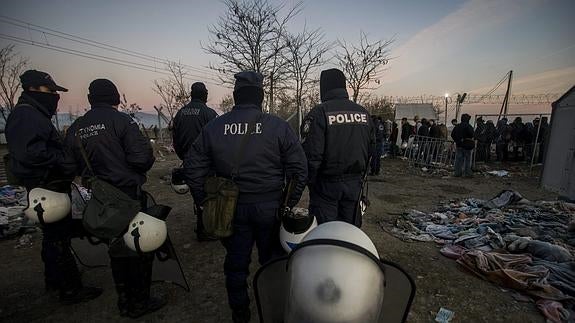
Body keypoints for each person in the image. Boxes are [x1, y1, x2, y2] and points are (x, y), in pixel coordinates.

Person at [184, 71, 307, 323]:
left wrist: (205, 202)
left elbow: (192, 168)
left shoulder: (214, 126)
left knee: (236, 264)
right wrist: (287, 204)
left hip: (230, 208)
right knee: (272, 262)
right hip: (269, 207)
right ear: (260, 97)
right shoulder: (278, 126)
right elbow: (299, 170)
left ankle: (240, 314)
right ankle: (274, 310)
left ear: (235, 96)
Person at [65, 79, 163, 318]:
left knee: (116, 246)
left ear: (90, 99)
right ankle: (139, 301)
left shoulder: (76, 127)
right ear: (116, 98)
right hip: (126, 195)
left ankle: (123, 300)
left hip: (97, 196)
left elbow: (68, 164)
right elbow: (141, 157)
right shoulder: (123, 122)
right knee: (138, 244)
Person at [5, 70, 102, 304]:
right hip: (45, 186)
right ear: (35, 89)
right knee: (58, 236)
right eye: (51, 91)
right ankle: (69, 288)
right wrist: (63, 159)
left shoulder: (32, 113)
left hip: (47, 186)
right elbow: (30, 152)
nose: (55, 97)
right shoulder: (26, 115)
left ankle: (56, 279)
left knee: (54, 235)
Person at [301, 68, 375, 226]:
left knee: (326, 233)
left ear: (324, 88)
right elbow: (371, 150)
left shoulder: (319, 113)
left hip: (326, 186)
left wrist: (311, 184)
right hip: (354, 184)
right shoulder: (363, 113)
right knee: (350, 232)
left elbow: (311, 156)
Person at [171, 82, 218, 241]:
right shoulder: (209, 113)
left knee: (198, 195)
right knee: (208, 196)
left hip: (188, 162)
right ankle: (206, 229)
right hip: (206, 164)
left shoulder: (180, 113)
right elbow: (217, 141)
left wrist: (184, 157)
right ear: (204, 95)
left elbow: (175, 140)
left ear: (192, 95)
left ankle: (203, 227)